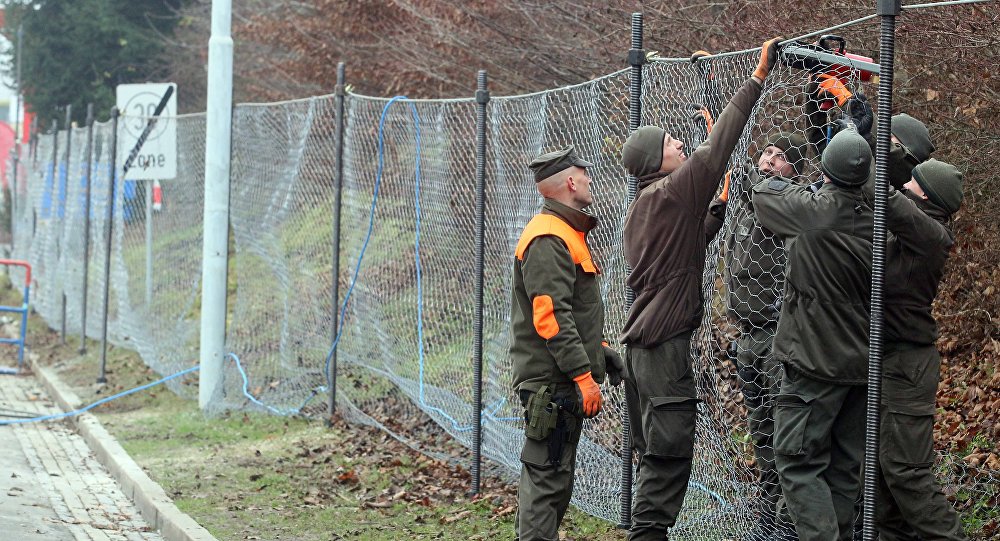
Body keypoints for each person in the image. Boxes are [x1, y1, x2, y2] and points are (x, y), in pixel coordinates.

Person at [618, 36, 783, 541]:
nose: (681, 147)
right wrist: (757, 79)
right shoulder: (670, 193)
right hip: (661, 352)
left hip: (644, 353)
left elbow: (681, 253)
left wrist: (714, 211)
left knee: (659, 457)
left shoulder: (646, 206)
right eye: (671, 145)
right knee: (668, 460)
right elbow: (717, 148)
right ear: (654, 160)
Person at [751, 128, 874, 541]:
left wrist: (776, 173)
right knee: (842, 467)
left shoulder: (811, 214)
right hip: (860, 365)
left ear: (823, 171)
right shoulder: (881, 213)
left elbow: (765, 194)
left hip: (812, 364)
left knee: (798, 464)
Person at [510, 145, 625, 541]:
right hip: (552, 383)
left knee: (553, 481)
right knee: (547, 483)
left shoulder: (564, 232)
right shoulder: (548, 237)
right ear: (571, 181)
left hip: (558, 379)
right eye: (585, 174)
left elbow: (574, 311)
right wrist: (582, 374)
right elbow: (550, 317)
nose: (591, 180)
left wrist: (599, 352)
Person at [710, 132, 808, 541]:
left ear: (795, 171)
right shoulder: (753, 203)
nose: (769, 160)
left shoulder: (784, 202)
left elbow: (744, 169)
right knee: (762, 431)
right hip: (749, 339)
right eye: (766, 151)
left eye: (781, 156)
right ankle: (767, 514)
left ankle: (788, 521)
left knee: (786, 436)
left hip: (777, 337)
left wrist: (723, 124)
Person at [878, 159, 968, 541]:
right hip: (891, 361)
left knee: (905, 473)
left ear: (926, 193)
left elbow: (881, 192)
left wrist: (862, 143)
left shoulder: (930, 233)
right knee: (880, 482)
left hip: (908, 366)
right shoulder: (914, 226)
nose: (904, 185)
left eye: (911, 182)